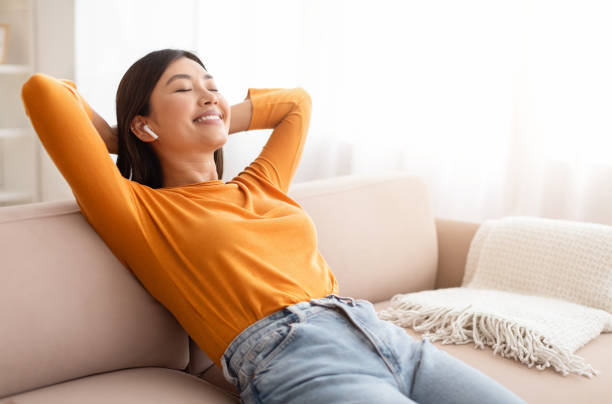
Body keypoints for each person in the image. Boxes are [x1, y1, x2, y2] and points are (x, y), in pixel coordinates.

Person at [21, 48, 526, 404]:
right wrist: (118, 139)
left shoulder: (260, 184)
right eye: (183, 88)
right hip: (293, 357)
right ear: (144, 124)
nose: (206, 95)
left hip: (382, 335)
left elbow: (296, 103)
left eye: (211, 87)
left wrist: (218, 111)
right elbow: (43, 91)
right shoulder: (138, 209)